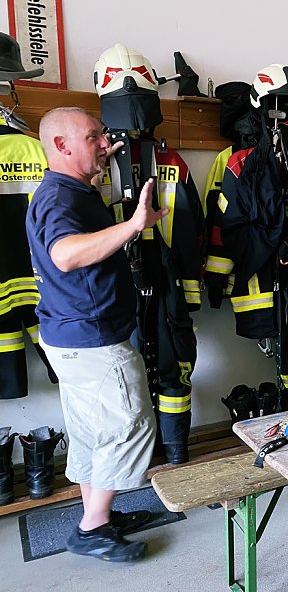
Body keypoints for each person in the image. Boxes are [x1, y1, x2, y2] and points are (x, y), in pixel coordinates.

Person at [25, 107, 167, 562]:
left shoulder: (70, 190)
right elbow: (65, 255)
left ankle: (99, 517)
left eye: (104, 135)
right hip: (93, 340)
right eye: (93, 137)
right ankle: (91, 530)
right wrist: (132, 226)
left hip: (71, 336)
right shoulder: (60, 199)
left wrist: (104, 161)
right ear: (62, 146)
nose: (105, 143)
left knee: (92, 433)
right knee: (129, 426)